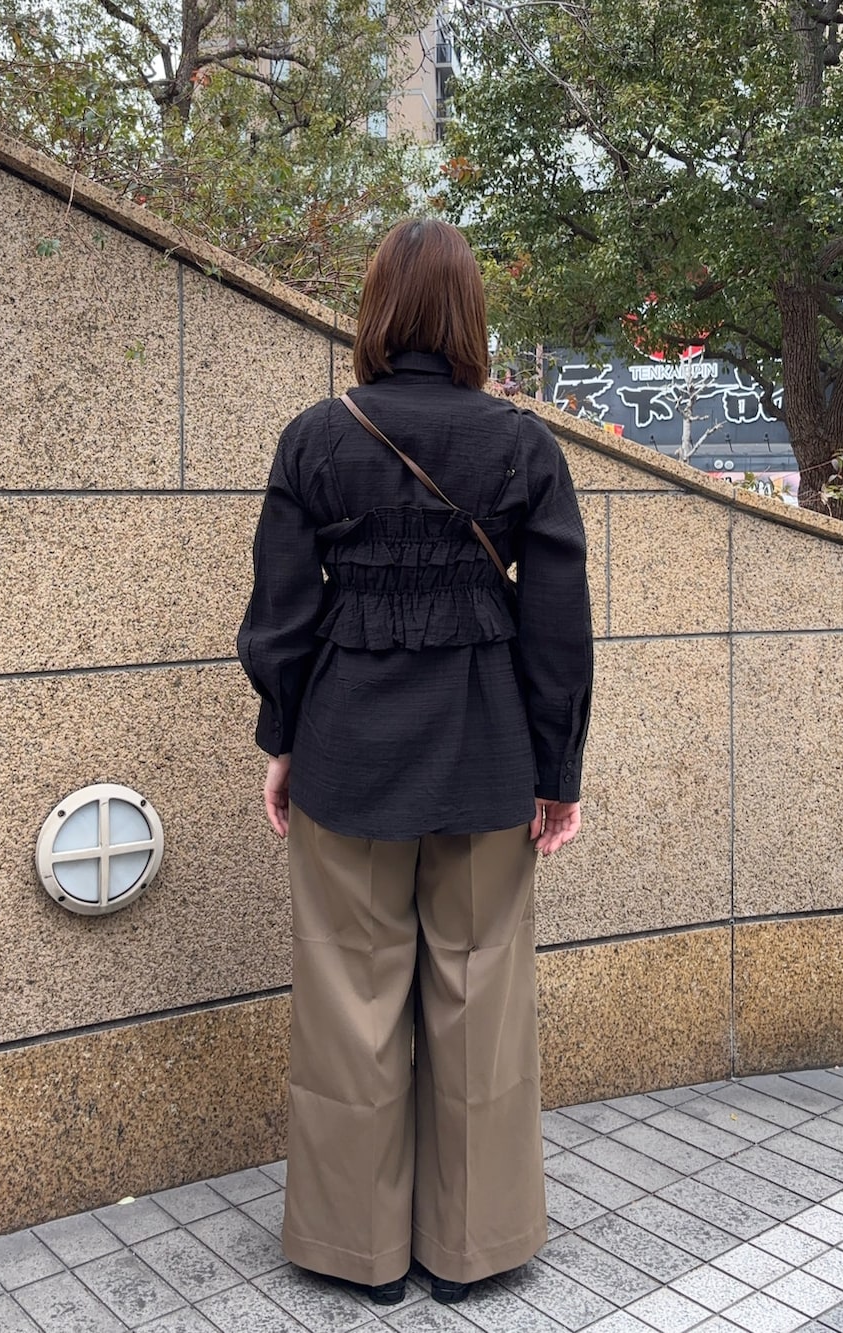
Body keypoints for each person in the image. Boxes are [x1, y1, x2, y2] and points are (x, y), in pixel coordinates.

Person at [237, 217, 592, 1306]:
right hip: (488, 757)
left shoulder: (317, 438)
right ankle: (471, 1250)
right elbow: (559, 627)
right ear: (470, 313)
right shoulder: (523, 445)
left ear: (377, 309)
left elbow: (280, 616)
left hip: (346, 751)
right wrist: (559, 770)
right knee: (481, 998)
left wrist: (283, 738)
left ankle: (358, 1252)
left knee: (349, 1000)